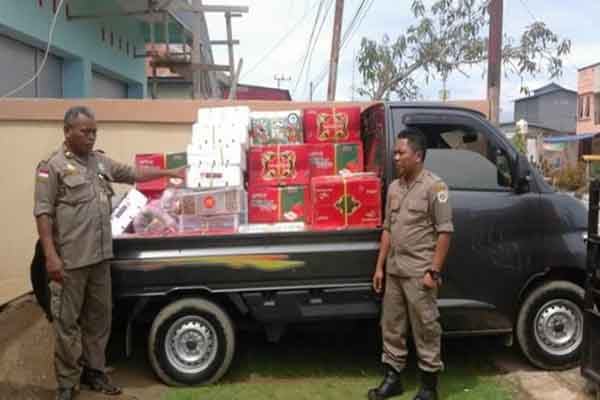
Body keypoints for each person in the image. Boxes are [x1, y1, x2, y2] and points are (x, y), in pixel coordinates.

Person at [33, 106, 184, 400]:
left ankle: (95, 373)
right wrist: (50, 255)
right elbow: (42, 213)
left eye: (94, 132)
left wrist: (169, 172)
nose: (91, 137)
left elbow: (134, 173)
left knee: (99, 321)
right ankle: (66, 383)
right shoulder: (52, 167)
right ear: (67, 131)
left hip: (101, 259)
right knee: (66, 323)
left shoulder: (99, 162)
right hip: (71, 261)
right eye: (85, 131)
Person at [368, 128, 453, 400]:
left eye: (401, 153)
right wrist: (380, 266)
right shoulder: (394, 187)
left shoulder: (435, 187)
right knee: (391, 326)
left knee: (426, 328)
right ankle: (393, 380)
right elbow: (388, 229)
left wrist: (434, 270)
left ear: (418, 155)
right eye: (395, 152)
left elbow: (445, 232)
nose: (396, 157)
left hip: (420, 273)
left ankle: (429, 388)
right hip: (394, 271)